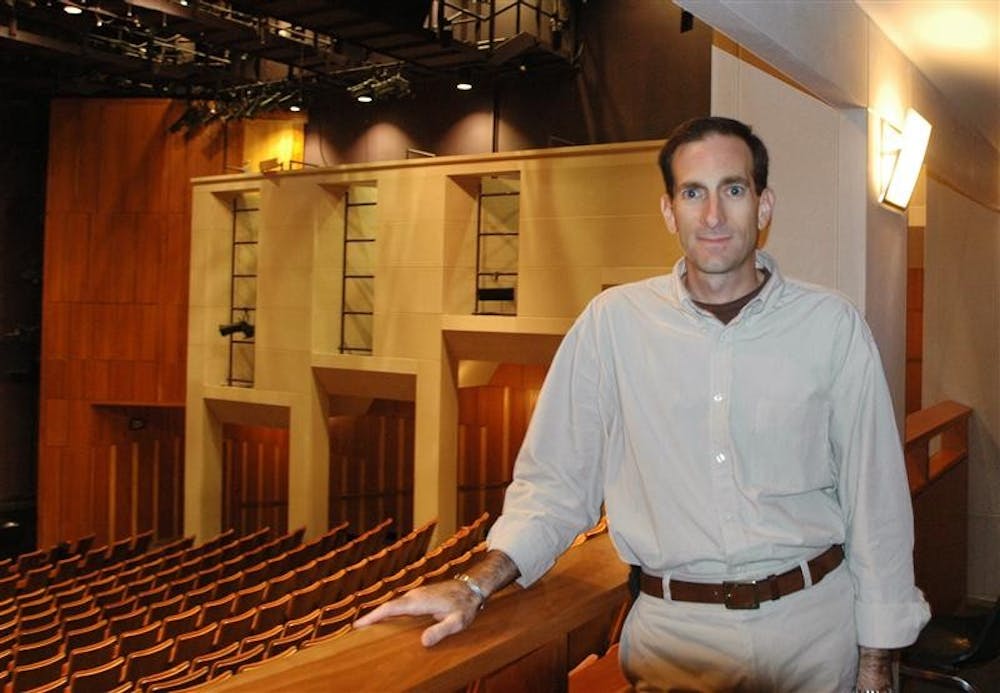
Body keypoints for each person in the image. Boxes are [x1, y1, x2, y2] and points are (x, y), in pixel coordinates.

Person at [357, 116, 930, 691]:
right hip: (673, 639)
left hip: (812, 630)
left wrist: (878, 661)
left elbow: (873, 498)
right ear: (668, 212)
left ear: (763, 206)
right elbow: (555, 486)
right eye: (692, 193)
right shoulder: (612, 325)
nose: (712, 215)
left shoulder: (830, 325)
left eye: (733, 189)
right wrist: (475, 584)